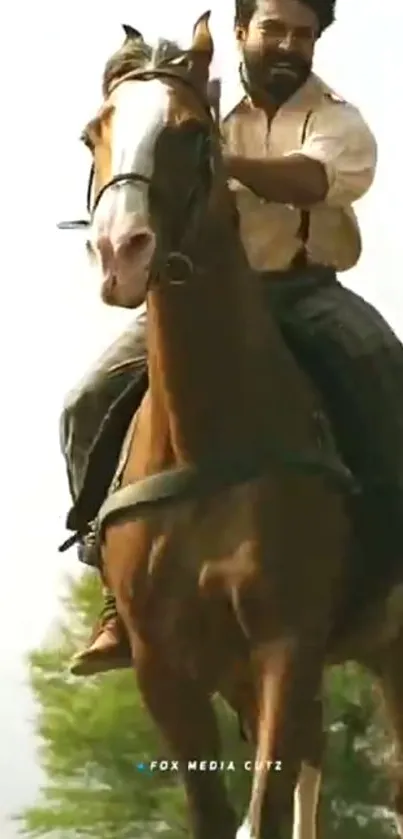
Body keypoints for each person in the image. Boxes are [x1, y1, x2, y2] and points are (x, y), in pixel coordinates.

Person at [62, 0, 403, 677]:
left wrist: (226, 160)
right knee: (85, 398)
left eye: (301, 34)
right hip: (198, 301)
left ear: (314, 44)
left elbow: (315, 178)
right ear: (240, 34)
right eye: (271, 29)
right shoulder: (187, 107)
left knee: (384, 370)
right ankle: (112, 588)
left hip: (302, 294)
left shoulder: (336, 117)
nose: (285, 44)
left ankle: (389, 561)